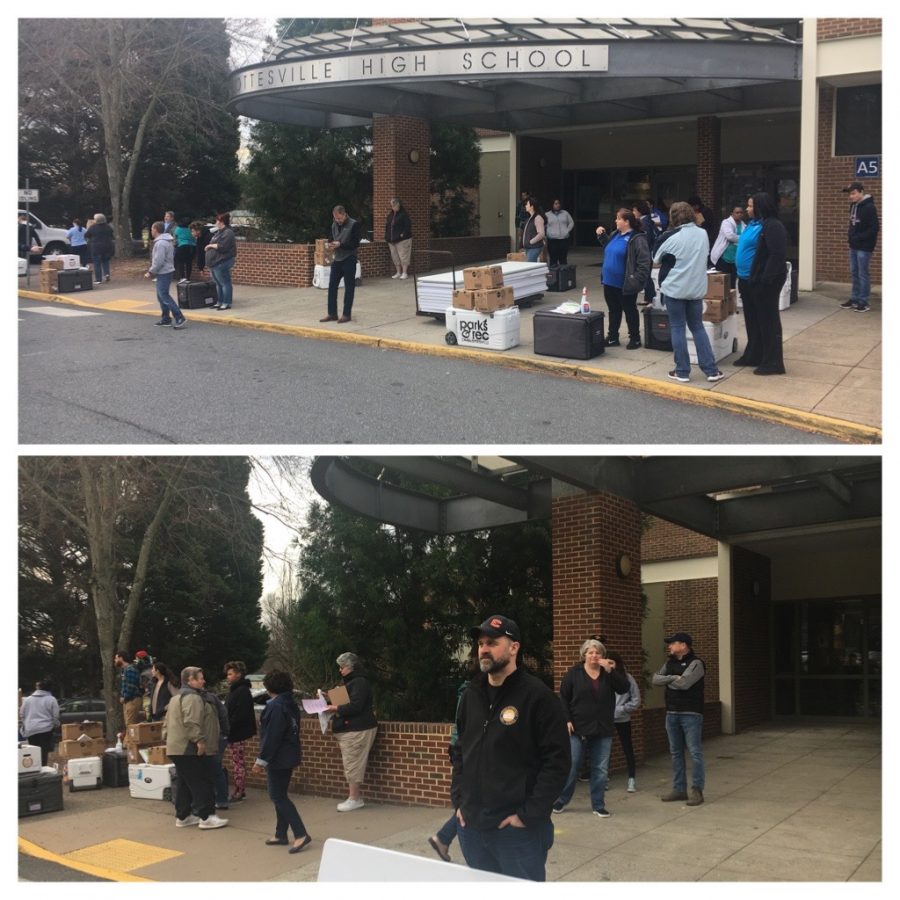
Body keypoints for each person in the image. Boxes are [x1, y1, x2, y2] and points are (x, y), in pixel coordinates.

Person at [451, 615, 570, 882]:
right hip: (472, 827)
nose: (483, 648)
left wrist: (528, 816)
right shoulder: (471, 695)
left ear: (514, 647)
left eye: (492, 642)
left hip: (516, 832)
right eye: (481, 643)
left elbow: (558, 762)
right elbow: (459, 751)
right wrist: (459, 802)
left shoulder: (538, 697)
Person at [552, 639, 628, 818]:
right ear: (584, 654)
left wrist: (611, 671)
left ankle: (598, 804)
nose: (594, 655)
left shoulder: (608, 673)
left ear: (602, 656)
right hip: (578, 728)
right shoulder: (574, 673)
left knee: (600, 769)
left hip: (603, 728)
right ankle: (561, 799)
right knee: (572, 766)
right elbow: (563, 697)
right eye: (590, 652)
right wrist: (567, 719)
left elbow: (624, 688)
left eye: (598, 652)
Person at [652, 201, 725, 384]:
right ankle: (711, 370)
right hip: (696, 289)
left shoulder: (670, 236)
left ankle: (682, 371)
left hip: (675, 288)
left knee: (677, 328)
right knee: (698, 327)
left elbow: (656, 257)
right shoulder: (703, 234)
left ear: (673, 217)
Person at [251, 670, 312, 854]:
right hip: (289, 754)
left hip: (278, 757)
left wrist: (260, 761)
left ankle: (300, 833)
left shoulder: (275, 707)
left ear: (269, 687)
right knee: (280, 794)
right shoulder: (289, 704)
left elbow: (272, 737)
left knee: (277, 796)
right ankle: (280, 833)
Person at [163, 666, 229, 829]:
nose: (203, 681)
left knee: (185, 782)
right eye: (200, 678)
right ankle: (207, 817)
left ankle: (183, 816)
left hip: (176, 746)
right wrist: (199, 741)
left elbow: (166, 724)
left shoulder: (175, 698)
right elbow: (192, 721)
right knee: (201, 781)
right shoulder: (193, 698)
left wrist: (167, 739)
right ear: (190, 680)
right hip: (189, 747)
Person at [652, 632, 706, 806]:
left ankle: (697, 790)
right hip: (671, 713)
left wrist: (670, 680)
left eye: (672, 643)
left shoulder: (696, 663)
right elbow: (655, 679)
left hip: (691, 713)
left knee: (694, 752)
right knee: (675, 753)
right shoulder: (669, 663)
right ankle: (679, 790)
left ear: (683, 645)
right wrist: (675, 677)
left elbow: (685, 684)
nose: (669, 646)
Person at [322, 651, 378, 811]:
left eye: (342, 667)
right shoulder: (352, 682)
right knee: (351, 762)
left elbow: (355, 705)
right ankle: (353, 797)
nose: (340, 670)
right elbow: (347, 699)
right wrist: (328, 697)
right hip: (350, 728)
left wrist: (334, 707)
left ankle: (355, 798)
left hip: (356, 729)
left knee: (353, 763)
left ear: (351, 667)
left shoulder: (359, 682)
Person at [742, 191, 788, 375]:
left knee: (769, 322)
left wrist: (764, 280)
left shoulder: (773, 225)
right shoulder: (759, 224)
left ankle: (773, 362)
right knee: (757, 321)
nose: (747, 209)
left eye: (751, 205)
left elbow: (776, 255)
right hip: (754, 280)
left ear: (760, 207)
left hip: (767, 282)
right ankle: (756, 355)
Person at [596, 209, 651, 350]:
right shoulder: (615, 234)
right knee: (613, 310)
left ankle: (635, 338)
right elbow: (610, 249)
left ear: (627, 222)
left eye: (618, 219)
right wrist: (602, 237)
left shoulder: (637, 238)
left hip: (625, 283)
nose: (616, 221)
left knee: (630, 310)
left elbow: (644, 262)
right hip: (609, 281)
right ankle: (613, 337)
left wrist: (636, 280)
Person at [606, 651, 641, 792]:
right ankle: (604, 779)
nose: (609, 666)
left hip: (622, 718)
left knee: (627, 747)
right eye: (607, 663)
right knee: (604, 749)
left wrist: (622, 709)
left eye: (612, 663)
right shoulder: (602, 678)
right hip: (606, 718)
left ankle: (631, 779)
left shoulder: (627, 678)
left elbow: (636, 700)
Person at [320, 206, 362, 324]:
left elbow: (355, 243)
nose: (338, 220)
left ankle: (346, 314)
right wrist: (331, 243)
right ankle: (332, 313)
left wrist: (341, 244)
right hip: (337, 259)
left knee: (349, 287)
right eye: (335, 218)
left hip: (349, 258)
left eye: (339, 218)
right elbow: (330, 237)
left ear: (344, 214)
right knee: (332, 286)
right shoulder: (334, 224)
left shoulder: (354, 224)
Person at [842, 181, 879, 312]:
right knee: (854, 273)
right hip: (854, 245)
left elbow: (874, 228)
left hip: (864, 246)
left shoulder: (869, 207)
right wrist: (851, 237)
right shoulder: (853, 206)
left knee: (863, 273)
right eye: (849, 194)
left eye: (853, 193)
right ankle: (855, 298)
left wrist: (859, 238)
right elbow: (853, 225)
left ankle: (864, 301)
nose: (851, 196)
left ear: (861, 192)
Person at [223, 660, 257, 802]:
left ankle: (239, 790)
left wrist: (229, 726)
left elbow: (240, 714)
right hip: (236, 731)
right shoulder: (237, 690)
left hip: (238, 733)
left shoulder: (241, 691)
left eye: (230, 674)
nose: (227, 677)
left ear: (238, 674)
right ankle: (239, 789)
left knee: (238, 763)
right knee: (238, 762)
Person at [144, 220, 186, 329]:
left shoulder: (161, 243)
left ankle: (179, 317)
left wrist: (151, 272)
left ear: (156, 230)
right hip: (165, 271)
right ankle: (166, 319)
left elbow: (159, 260)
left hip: (163, 272)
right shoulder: (165, 241)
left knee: (164, 296)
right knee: (161, 296)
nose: (151, 231)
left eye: (152, 229)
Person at [19, 680, 60, 766]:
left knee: (33, 751)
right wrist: (55, 724)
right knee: (43, 751)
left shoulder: (27, 700)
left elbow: (21, 714)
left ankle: (34, 768)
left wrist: (26, 724)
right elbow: (55, 715)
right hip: (46, 729)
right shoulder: (51, 699)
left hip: (31, 729)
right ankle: (43, 768)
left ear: (37, 688)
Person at [206, 212, 238, 310]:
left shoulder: (228, 232)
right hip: (214, 262)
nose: (215, 222)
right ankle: (219, 301)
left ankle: (226, 302)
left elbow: (222, 247)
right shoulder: (219, 232)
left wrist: (210, 246)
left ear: (222, 222)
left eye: (217, 220)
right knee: (218, 283)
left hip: (223, 261)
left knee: (224, 282)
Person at [710, 203, 745, 289]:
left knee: (732, 284)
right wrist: (743, 238)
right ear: (732, 213)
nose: (739, 214)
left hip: (736, 258)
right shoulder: (726, 222)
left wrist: (739, 238)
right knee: (722, 283)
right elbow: (730, 236)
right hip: (724, 257)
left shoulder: (744, 225)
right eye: (737, 212)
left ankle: (731, 301)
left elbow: (736, 237)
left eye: (741, 212)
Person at [384, 197, 412, 279]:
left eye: (394, 205)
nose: (392, 207)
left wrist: (402, 234)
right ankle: (398, 272)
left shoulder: (404, 215)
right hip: (392, 240)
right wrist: (387, 236)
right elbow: (387, 226)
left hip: (402, 240)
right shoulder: (391, 215)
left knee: (403, 256)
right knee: (395, 257)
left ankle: (404, 273)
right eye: (392, 206)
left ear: (398, 205)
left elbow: (408, 226)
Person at [115, 650, 144, 726]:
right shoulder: (124, 670)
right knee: (128, 724)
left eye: (116, 658)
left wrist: (125, 697)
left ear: (121, 658)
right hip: (128, 701)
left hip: (132, 700)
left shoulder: (130, 669)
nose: (115, 660)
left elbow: (131, 686)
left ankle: (131, 738)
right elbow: (125, 686)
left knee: (130, 724)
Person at [85, 213, 114, 284]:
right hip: (107, 246)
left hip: (96, 247)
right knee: (105, 261)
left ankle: (98, 279)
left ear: (96, 220)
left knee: (97, 263)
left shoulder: (93, 227)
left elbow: (86, 235)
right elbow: (112, 235)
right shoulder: (108, 227)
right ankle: (107, 274)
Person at [545, 199, 575, 266]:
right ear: (552, 205)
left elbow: (571, 222)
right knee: (553, 259)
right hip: (552, 240)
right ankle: (554, 275)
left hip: (563, 239)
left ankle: (563, 275)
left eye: (558, 203)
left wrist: (567, 231)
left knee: (563, 259)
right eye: (555, 203)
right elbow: (544, 225)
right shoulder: (547, 214)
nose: (557, 205)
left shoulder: (565, 213)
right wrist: (548, 233)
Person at [521, 196, 546, 263]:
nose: (525, 206)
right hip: (529, 248)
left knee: (530, 267)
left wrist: (531, 242)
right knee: (530, 267)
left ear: (532, 206)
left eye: (527, 204)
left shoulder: (538, 218)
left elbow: (541, 234)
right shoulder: (529, 218)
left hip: (534, 247)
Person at [172, 217, 197, 284]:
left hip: (181, 246)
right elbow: (195, 238)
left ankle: (182, 277)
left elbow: (175, 239)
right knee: (189, 263)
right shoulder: (191, 229)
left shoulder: (177, 229)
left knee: (181, 262)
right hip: (192, 246)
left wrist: (175, 245)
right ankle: (188, 278)